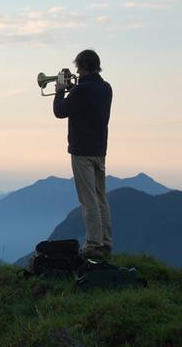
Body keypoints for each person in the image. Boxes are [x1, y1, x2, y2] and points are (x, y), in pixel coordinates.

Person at [53, 49, 113, 259]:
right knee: (100, 197)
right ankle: (105, 242)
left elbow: (60, 111)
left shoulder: (82, 91)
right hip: (99, 149)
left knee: (88, 200)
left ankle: (93, 244)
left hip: (82, 151)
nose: (76, 71)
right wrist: (73, 88)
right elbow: (86, 103)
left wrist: (61, 90)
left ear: (85, 67)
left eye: (78, 67)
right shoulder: (106, 88)